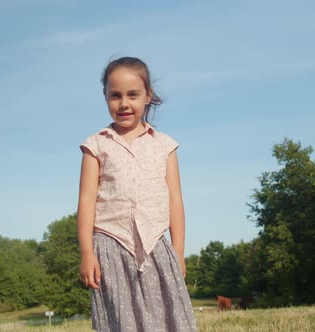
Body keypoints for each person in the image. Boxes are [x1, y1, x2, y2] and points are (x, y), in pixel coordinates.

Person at [77, 56, 198, 332]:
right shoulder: (95, 146)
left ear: (148, 96)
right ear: (105, 97)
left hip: (156, 245)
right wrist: (86, 252)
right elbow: (86, 201)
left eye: (133, 95)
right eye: (115, 95)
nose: (124, 104)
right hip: (110, 246)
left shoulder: (165, 145)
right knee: (122, 322)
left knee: (167, 320)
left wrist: (178, 251)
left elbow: (175, 199)